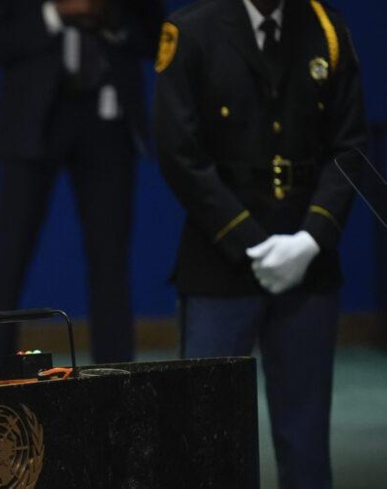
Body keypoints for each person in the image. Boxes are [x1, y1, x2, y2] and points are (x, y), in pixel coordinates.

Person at [155, 0, 366, 487]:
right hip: (219, 261)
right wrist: (251, 242)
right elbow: (178, 152)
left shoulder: (327, 29)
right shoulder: (192, 30)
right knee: (206, 439)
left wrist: (313, 238)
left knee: (306, 443)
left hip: (307, 261)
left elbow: (350, 145)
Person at [0, 0, 165, 379]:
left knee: (111, 262)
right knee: (7, 260)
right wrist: (57, 14)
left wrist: (109, 17)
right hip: (30, 122)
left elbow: (157, 36)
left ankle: (117, 386)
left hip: (110, 122)